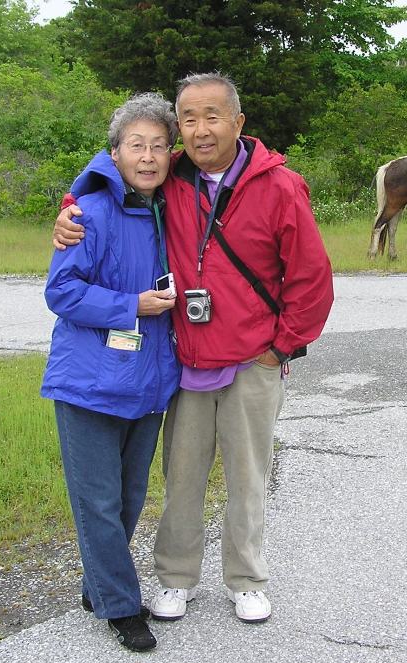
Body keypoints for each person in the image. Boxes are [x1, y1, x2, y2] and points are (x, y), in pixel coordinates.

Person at [53, 72, 334, 624]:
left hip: (254, 359)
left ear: (238, 122)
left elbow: (311, 277)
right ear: (179, 127)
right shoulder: (172, 178)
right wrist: (68, 209)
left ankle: (246, 578)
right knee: (181, 477)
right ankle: (176, 578)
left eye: (213, 116)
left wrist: (282, 348)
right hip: (187, 359)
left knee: (248, 477)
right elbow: (110, 174)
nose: (201, 129)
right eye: (189, 118)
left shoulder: (279, 186)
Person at [42, 92, 181, 651]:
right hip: (89, 384)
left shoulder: (175, 210)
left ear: (172, 155)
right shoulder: (86, 215)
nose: (147, 157)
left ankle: (97, 586)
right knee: (97, 502)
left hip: (147, 384)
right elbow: (62, 291)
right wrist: (133, 307)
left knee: (125, 501)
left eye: (157, 146)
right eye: (135, 146)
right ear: (116, 152)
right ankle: (121, 607)